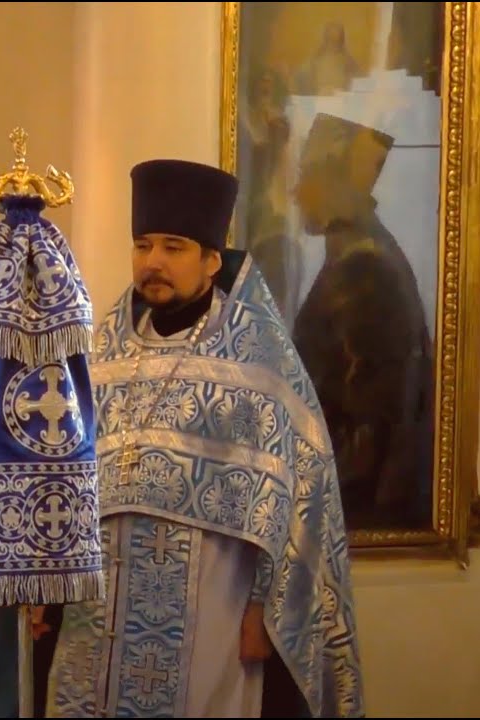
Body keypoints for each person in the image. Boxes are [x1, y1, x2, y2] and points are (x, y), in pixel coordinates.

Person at [45, 159, 365, 718]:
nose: (153, 262)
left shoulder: (258, 359)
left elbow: (294, 500)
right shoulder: (102, 352)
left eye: (174, 248)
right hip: (95, 609)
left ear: (212, 261)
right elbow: (63, 475)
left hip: (211, 605)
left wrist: (265, 611)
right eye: (143, 246)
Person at [290, 112, 435, 530]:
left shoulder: (366, 273)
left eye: (307, 176)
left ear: (336, 186)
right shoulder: (355, 259)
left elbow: (373, 430)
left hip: (355, 511)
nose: (296, 191)